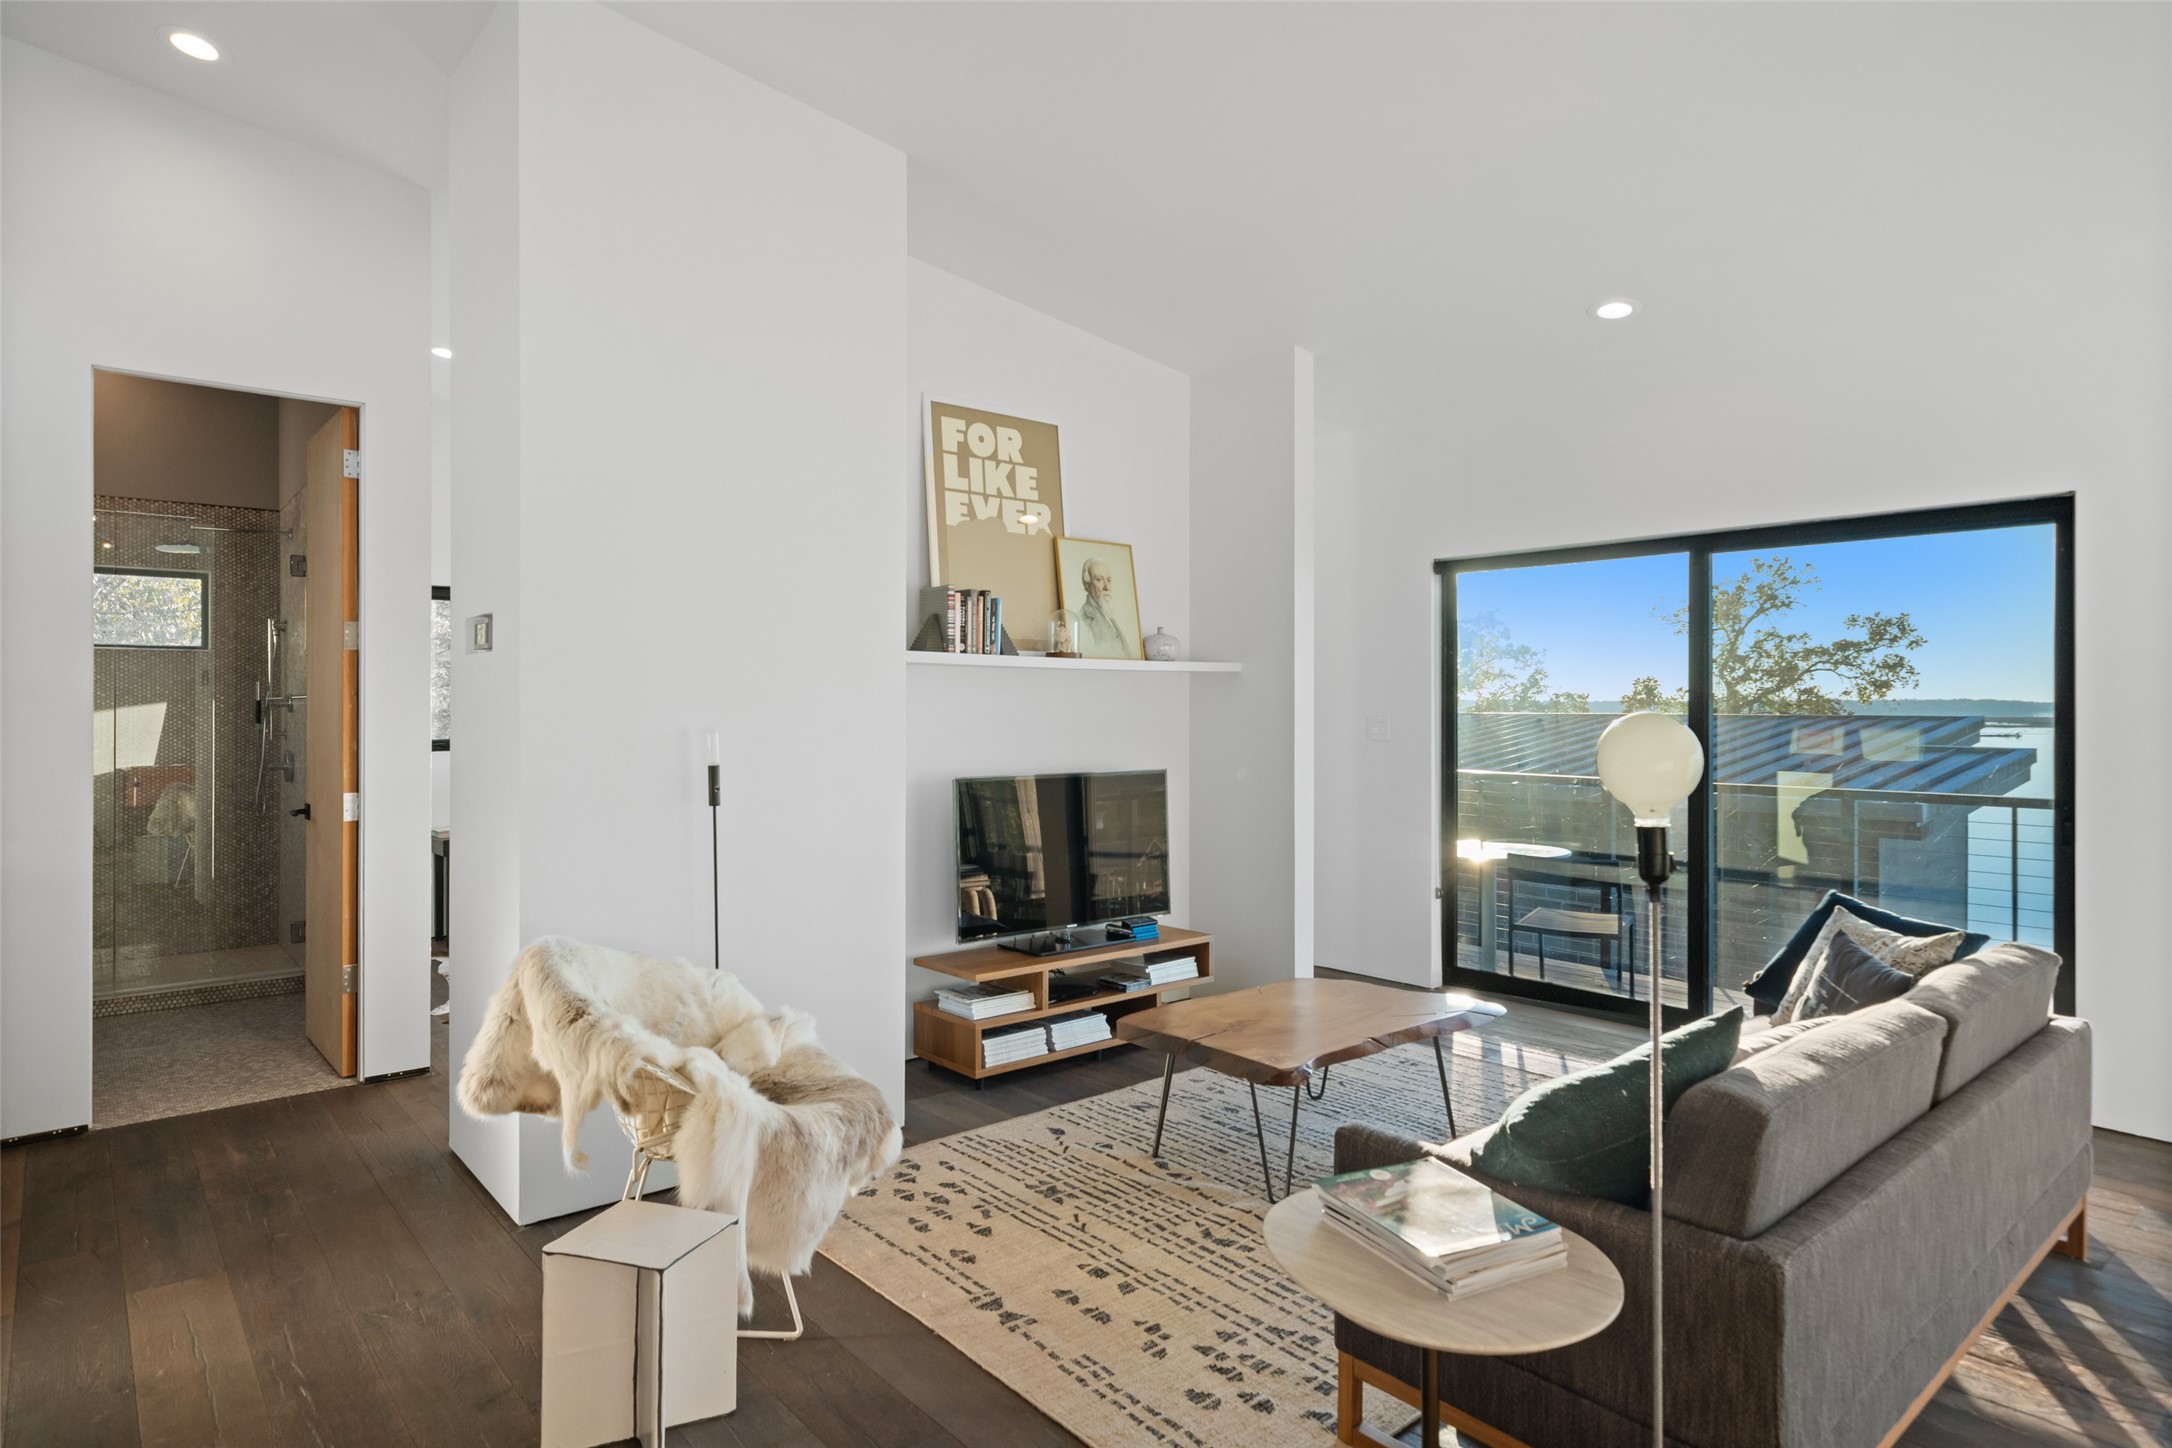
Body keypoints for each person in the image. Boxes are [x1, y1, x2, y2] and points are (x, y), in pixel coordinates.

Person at [1078, 556, 1131, 657]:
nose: (1107, 586)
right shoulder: (1083, 620)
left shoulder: (1110, 613)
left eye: (1109, 580)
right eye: (1099, 580)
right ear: (1087, 585)